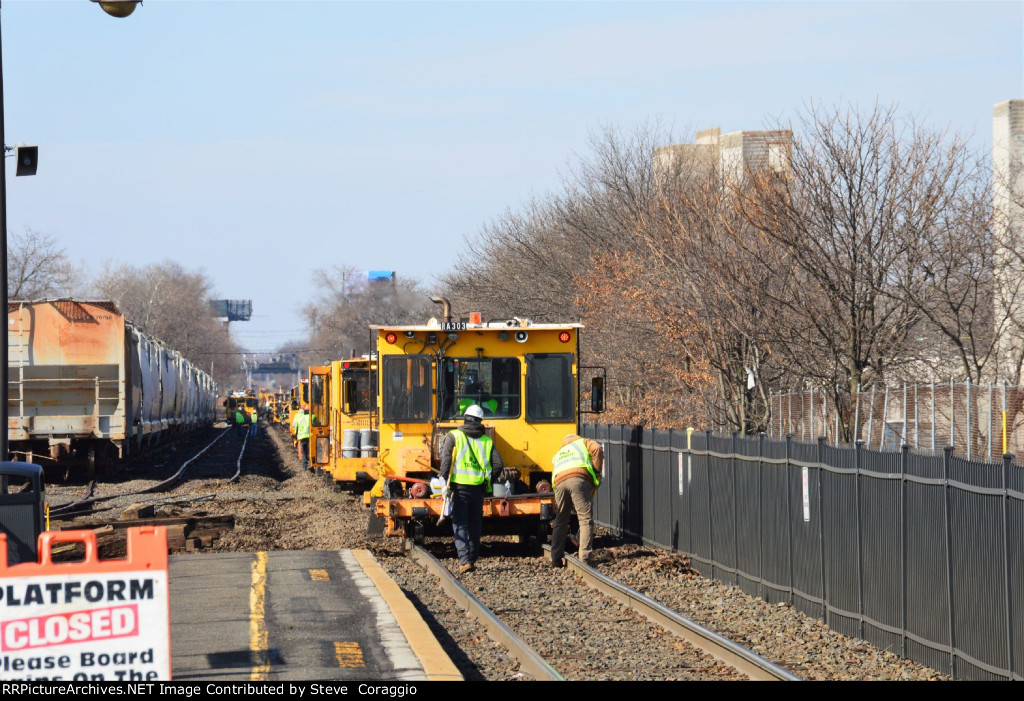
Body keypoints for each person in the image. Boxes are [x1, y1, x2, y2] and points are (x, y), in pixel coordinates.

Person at [438, 404, 515, 574]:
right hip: (478, 489)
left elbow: (446, 461)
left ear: (465, 418)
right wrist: (488, 482)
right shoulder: (487, 441)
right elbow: (498, 465)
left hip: (459, 488)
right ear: (480, 421)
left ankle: (465, 560)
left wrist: (443, 483)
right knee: (474, 524)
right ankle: (472, 558)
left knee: (460, 523)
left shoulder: (454, 436)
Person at [549, 433, 603, 567]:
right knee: (585, 519)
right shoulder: (583, 442)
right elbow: (597, 449)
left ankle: (555, 558)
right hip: (578, 479)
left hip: (559, 483)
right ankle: (585, 558)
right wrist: (596, 473)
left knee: (561, 520)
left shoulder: (560, 452)